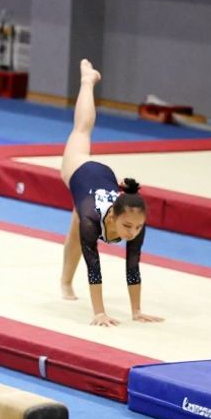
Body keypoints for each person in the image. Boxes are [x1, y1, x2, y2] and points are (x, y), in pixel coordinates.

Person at [58, 59, 164, 326]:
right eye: (128, 226)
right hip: (78, 169)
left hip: (104, 179)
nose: (132, 232)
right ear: (114, 217)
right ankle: (86, 80)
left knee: (75, 228)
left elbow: (133, 267)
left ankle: (65, 282)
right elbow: (94, 267)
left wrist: (136, 311)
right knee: (82, 129)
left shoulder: (134, 221)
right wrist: (99, 312)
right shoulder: (92, 219)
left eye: (137, 228)